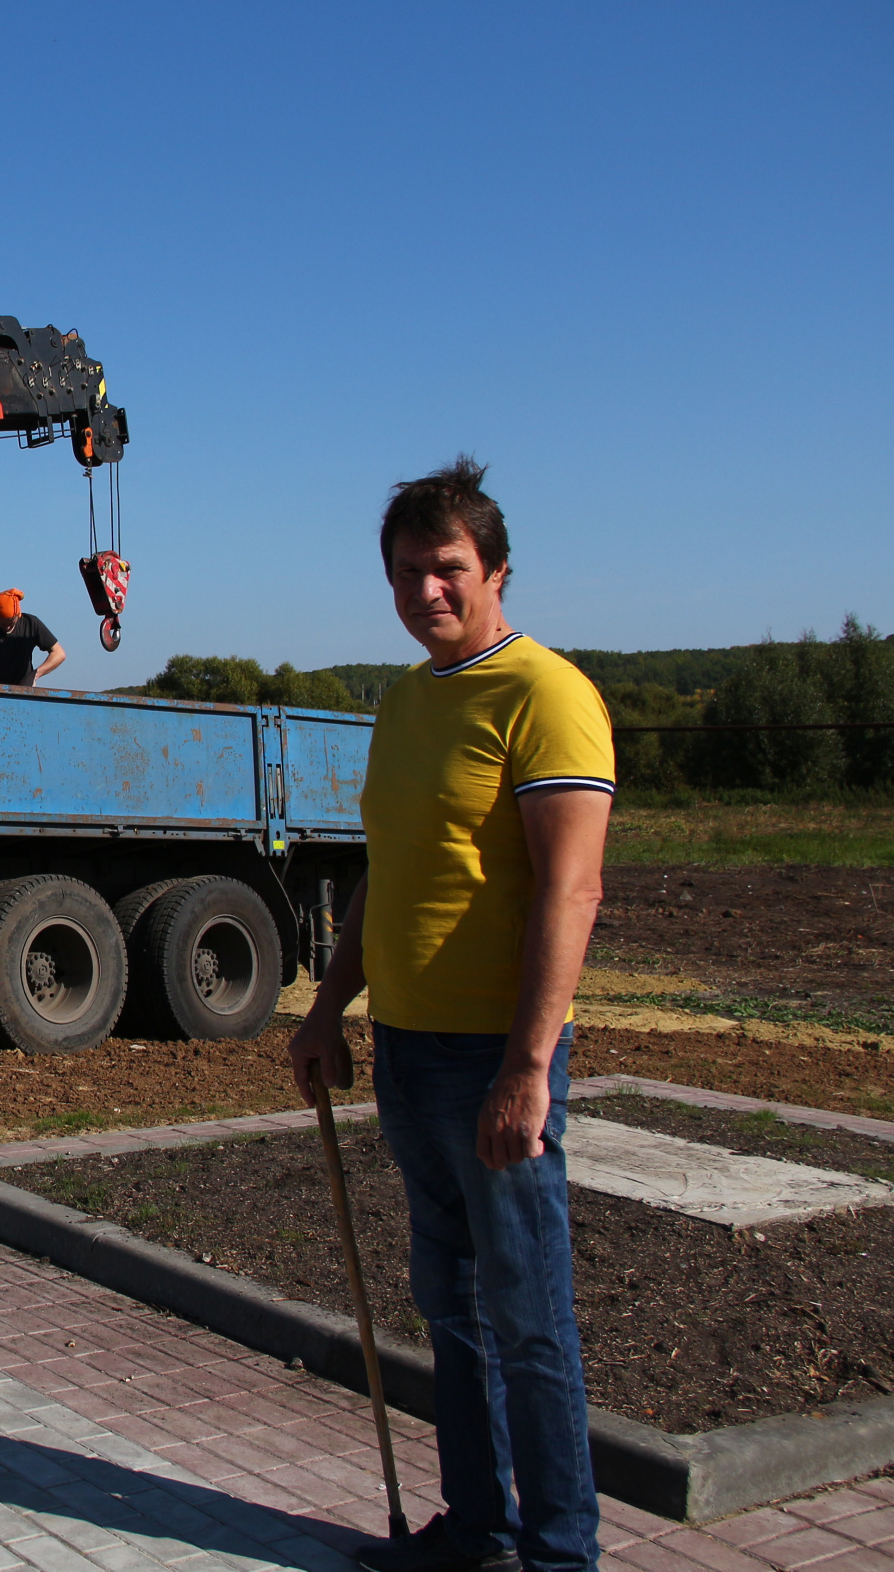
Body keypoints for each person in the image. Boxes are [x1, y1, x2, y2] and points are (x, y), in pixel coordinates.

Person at [286, 457, 614, 1572]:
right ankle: (478, 1531)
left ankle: (561, 1554)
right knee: (452, 1307)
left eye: (448, 568)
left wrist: (528, 1066)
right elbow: (389, 872)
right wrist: (329, 1007)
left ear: (497, 570)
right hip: (407, 1049)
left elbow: (571, 890)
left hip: (493, 1056)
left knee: (528, 1319)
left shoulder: (546, 696)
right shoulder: (406, 701)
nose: (425, 590)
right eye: (405, 572)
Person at [0, 589, 66, 687]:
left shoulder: (31, 624)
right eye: (2, 623)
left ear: (18, 614)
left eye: (11, 622)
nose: (7, 627)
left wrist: (33, 675)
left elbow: (59, 654)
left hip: (23, 691)